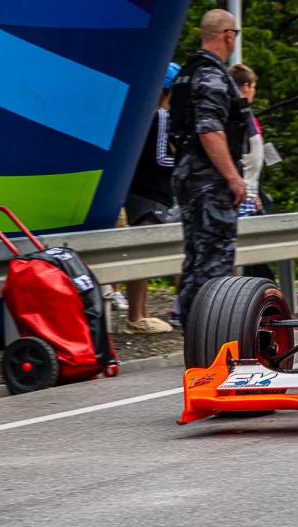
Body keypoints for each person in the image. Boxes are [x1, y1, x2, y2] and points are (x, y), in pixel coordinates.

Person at [169, 9, 250, 328]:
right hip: (209, 180)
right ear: (228, 35)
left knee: (196, 260)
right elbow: (210, 129)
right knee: (215, 262)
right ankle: (211, 340)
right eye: (235, 35)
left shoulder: (185, 75)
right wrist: (233, 178)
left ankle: (194, 334)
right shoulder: (214, 75)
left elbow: (177, 134)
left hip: (187, 174)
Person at [119, 62, 182, 334]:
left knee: (142, 254)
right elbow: (160, 157)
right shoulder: (162, 117)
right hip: (149, 193)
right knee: (142, 255)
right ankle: (136, 315)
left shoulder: (151, 117)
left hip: (149, 192)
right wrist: (185, 158)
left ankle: (140, 313)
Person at [229, 63, 264, 218]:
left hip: (247, 193)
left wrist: (254, 191)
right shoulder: (237, 115)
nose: (254, 92)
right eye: (253, 87)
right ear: (245, 87)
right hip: (240, 193)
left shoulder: (245, 113)